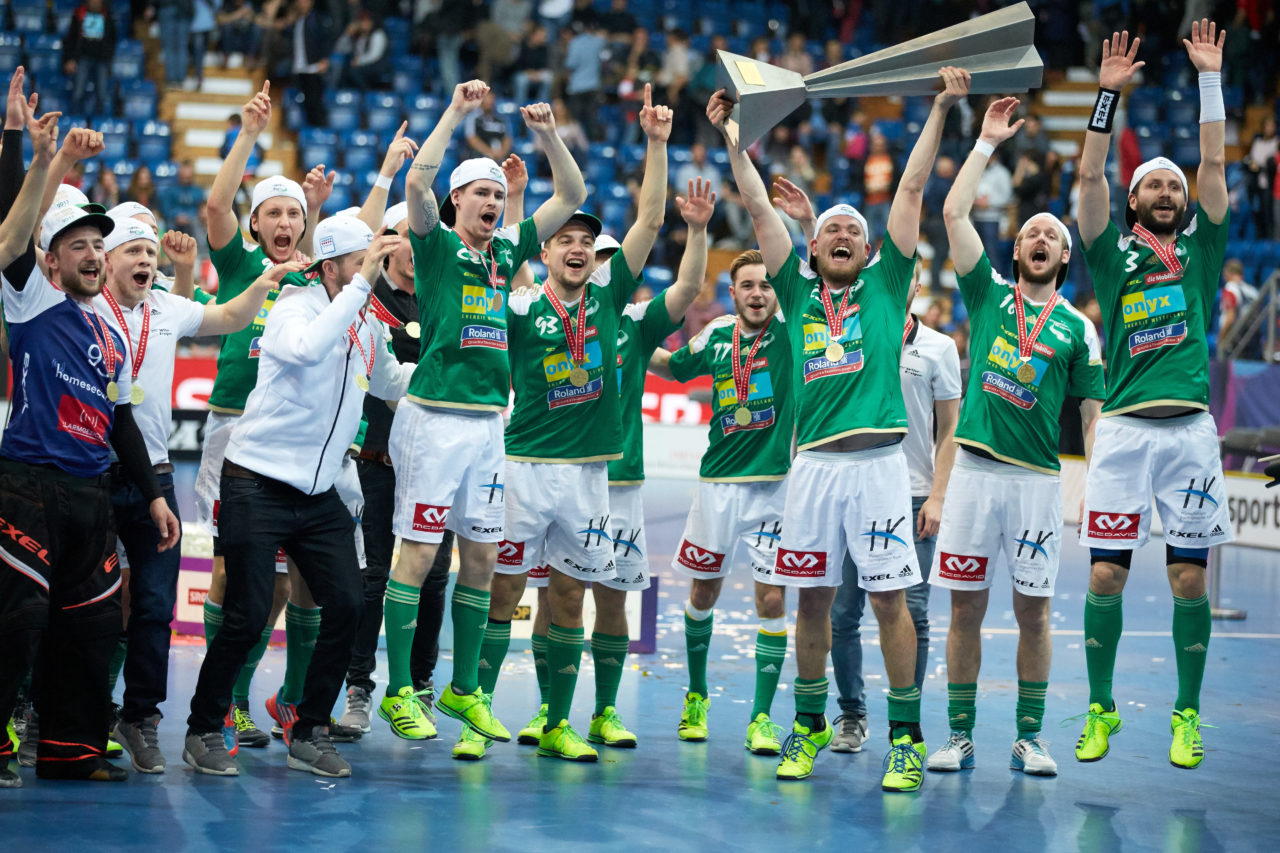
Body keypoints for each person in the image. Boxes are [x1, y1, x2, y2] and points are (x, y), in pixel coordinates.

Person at [707, 66, 968, 789]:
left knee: (889, 602)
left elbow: (911, 190)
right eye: (832, 230)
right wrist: (734, 142)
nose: (846, 234)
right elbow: (759, 209)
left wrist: (943, 106)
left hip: (883, 469)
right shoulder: (792, 291)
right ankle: (808, 724)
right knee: (814, 602)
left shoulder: (888, 287)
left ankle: (907, 736)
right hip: (814, 470)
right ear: (812, 249)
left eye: (856, 228)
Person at [461, 85, 671, 762]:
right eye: (564, 240)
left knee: (572, 595)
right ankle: (477, 715)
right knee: (505, 586)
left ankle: (556, 721)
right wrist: (522, 203)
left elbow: (650, 218)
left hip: (588, 476)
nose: (576, 247)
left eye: (586, 240)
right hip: (521, 467)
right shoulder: (521, 307)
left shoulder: (611, 299)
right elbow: (512, 256)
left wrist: (658, 144)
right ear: (546, 253)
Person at [376, 80, 585, 746]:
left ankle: (465, 688)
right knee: (416, 553)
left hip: (489, 424)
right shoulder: (434, 245)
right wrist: (456, 112)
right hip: (434, 419)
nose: (493, 202)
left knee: (484, 558)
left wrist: (549, 135)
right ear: (456, 201)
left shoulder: (508, 252)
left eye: (499, 193)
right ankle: (400, 690)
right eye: (481, 192)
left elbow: (573, 198)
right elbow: (420, 178)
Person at [0, 71, 179, 788]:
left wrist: (156, 494)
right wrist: (34, 152)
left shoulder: (106, 327)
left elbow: (122, 419)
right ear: (49, 260)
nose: (91, 252)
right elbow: (10, 230)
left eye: (96, 244)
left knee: (94, 623)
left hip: (92, 491)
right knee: (19, 615)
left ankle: (71, 749)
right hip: (28, 484)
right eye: (75, 243)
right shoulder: (30, 297)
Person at [183, 218, 411, 777]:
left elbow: (391, 383)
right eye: (363, 262)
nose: (373, 272)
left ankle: (308, 728)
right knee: (247, 612)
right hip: (254, 483)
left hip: (316, 493)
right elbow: (307, 350)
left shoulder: (366, 323)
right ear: (331, 268)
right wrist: (361, 290)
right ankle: (202, 728)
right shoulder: (293, 305)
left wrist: (453, 373)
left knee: (349, 606)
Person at [921, 97, 1106, 778]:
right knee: (965, 609)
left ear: (1062, 258)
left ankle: (1031, 736)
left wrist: (1096, 483)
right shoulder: (989, 296)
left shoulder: (1079, 328)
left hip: (1035, 482)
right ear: (1019, 248)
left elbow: (1091, 412)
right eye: (1030, 231)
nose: (1039, 238)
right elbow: (952, 215)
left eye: (1051, 236)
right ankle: (960, 733)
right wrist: (985, 144)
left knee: (1035, 611)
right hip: (972, 475)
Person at [1074, 24, 1233, 770]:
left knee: (1189, 576)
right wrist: (1106, 95)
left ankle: (1187, 714)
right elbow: (1089, 181)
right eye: (1156, 185)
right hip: (1126, 431)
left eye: (1174, 185)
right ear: (1137, 201)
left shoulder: (1202, 249)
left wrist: (1208, 79)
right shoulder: (1112, 255)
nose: (1169, 191)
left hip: (1191, 433)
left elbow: (1214, 160)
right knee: (1107, 573)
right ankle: (1101, 708)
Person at [95, 215, 297, 774]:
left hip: (155, 476)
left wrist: (265, 281)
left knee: (156, 606)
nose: (144, 259)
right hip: (89, 470)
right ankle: (63, 714)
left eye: (148, 251)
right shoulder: (84, 309)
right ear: (105, 260)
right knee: (85, 602)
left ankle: (140, 719)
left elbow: (230, 317)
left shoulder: (165, 305)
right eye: (131, 250)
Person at [191, 80, 343, 748]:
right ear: (255, 224)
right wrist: (249, 132)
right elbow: (215, 202)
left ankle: (270, 701)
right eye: (272, 214)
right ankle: (223, 701)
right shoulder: (239, 261)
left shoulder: (316, 277)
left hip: (297, 444)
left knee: (290, 581)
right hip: (234, 434)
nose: (283, 224)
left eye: (293, 215)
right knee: (237, 575)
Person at [649, 245, 794, 757]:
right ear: (732, 295)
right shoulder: (715, 334)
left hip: (776, 487)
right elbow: (671, 368)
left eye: (766, 285)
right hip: (717, 486)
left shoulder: (794, 332)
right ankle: (696, 695)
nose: (758, 294)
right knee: (703, 594)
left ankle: (760, 718)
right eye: (748, 286)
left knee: (772, 600)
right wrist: (629, 334)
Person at [338, 202, 456, 736]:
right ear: (388, 241)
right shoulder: (365, 295)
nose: (421, 245)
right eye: (411, 235)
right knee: (374, 577)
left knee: (433, 580)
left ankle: (417, 686)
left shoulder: (444, 294)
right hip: (375, 462)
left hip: (434, 463)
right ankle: (359, 689)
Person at [64, 0, 117, 117]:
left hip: (102, 60)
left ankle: (99, 126)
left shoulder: (107, 16)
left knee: (102, 95)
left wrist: (108, 59)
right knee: (78, 92)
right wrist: (69, 59)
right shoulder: (79, 14)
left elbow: (112, 39)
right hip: (83, 58)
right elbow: (70, 38)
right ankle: (75, 122)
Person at [464, 91, 513, 163]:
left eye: (491, 98)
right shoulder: (473, 118)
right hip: (479, 157)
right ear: (481, 100)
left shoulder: (502, 119)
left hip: (499, 157)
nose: (490, 101)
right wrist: (489, 152)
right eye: (487, 98)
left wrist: (502, 153)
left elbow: (507, 139)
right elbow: (471, 139)